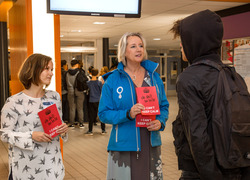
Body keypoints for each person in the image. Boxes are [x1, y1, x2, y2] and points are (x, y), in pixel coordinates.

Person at [170, 9, 250, 179]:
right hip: (236, 167)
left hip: (204, 173)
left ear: (195, 41)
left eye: (184, 41)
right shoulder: (234, 75)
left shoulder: (189, 78)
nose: (181, 46)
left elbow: (198, 137)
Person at [98, 32, 169, 179]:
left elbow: (164, 106)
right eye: (133, 46)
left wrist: (160, 121)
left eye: (141, 46)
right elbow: (103, 113)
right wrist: (127, 114)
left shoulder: (153, 77)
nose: (139, 49)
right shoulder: (112, 80)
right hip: (123, 144)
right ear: (124, 51)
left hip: (150, 141)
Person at [0, 53, 68, 180]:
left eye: (52, 69)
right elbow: (4, 134)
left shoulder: (54, 97)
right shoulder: (14, 102)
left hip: (52, 166)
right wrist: (31, 135)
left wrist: (63, 130)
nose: (51, 73)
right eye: (46, 69)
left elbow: (58, 124)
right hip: (26, 168)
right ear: (33, 70)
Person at [66, 59, 86, 128]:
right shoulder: (80, 72)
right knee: (80, 108)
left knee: (72, 108)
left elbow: (67, 83)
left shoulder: (67, 73)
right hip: (79, 91)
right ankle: (81, 123)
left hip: (70, 91)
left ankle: (71, 123)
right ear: (77, 64)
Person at [85, 68, 106, 135]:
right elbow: (102, 92)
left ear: (90, 73)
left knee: (91, 116)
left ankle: (90, 130)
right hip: (99, 101)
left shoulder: (88, 83)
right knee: (101, 115)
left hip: (91, 101)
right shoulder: (99, 83)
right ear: (97, 74)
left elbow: (87, 91)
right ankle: (103, 130)